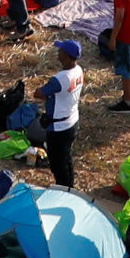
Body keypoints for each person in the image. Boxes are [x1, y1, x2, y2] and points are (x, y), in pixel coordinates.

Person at [39, 39, 84, 188]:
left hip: (59, 128)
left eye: (60, 51)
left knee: (58, 164)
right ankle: (69, 186)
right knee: (66, 159)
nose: (58, 53)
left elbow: (38, 93)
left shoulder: (60, 79)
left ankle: (64, 190)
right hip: (72, 121)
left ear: (66, 55)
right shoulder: (78, 70)